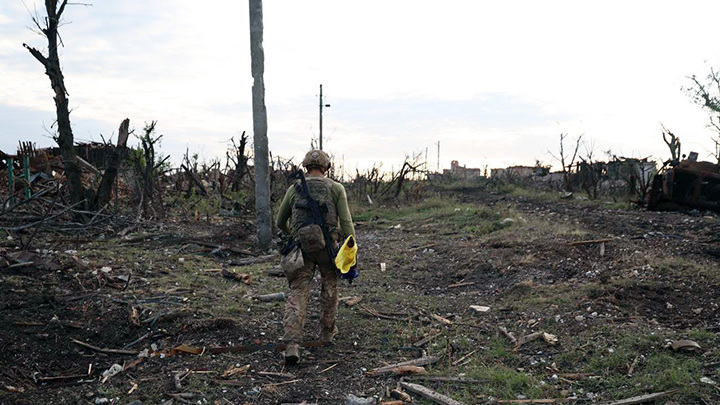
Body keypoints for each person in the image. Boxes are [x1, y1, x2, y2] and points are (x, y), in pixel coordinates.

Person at [275, 149, 356, 365]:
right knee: (329, 287)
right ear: (326, 167)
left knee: (298, 291)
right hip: (329, 247)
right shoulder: (336, 188)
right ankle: (328, 333)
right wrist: (351, 247)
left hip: (301, 248)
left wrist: (294, 232)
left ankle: (292, 344)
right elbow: (346, 223)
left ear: (305, 167)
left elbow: (279, 222)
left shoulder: (295, 188)